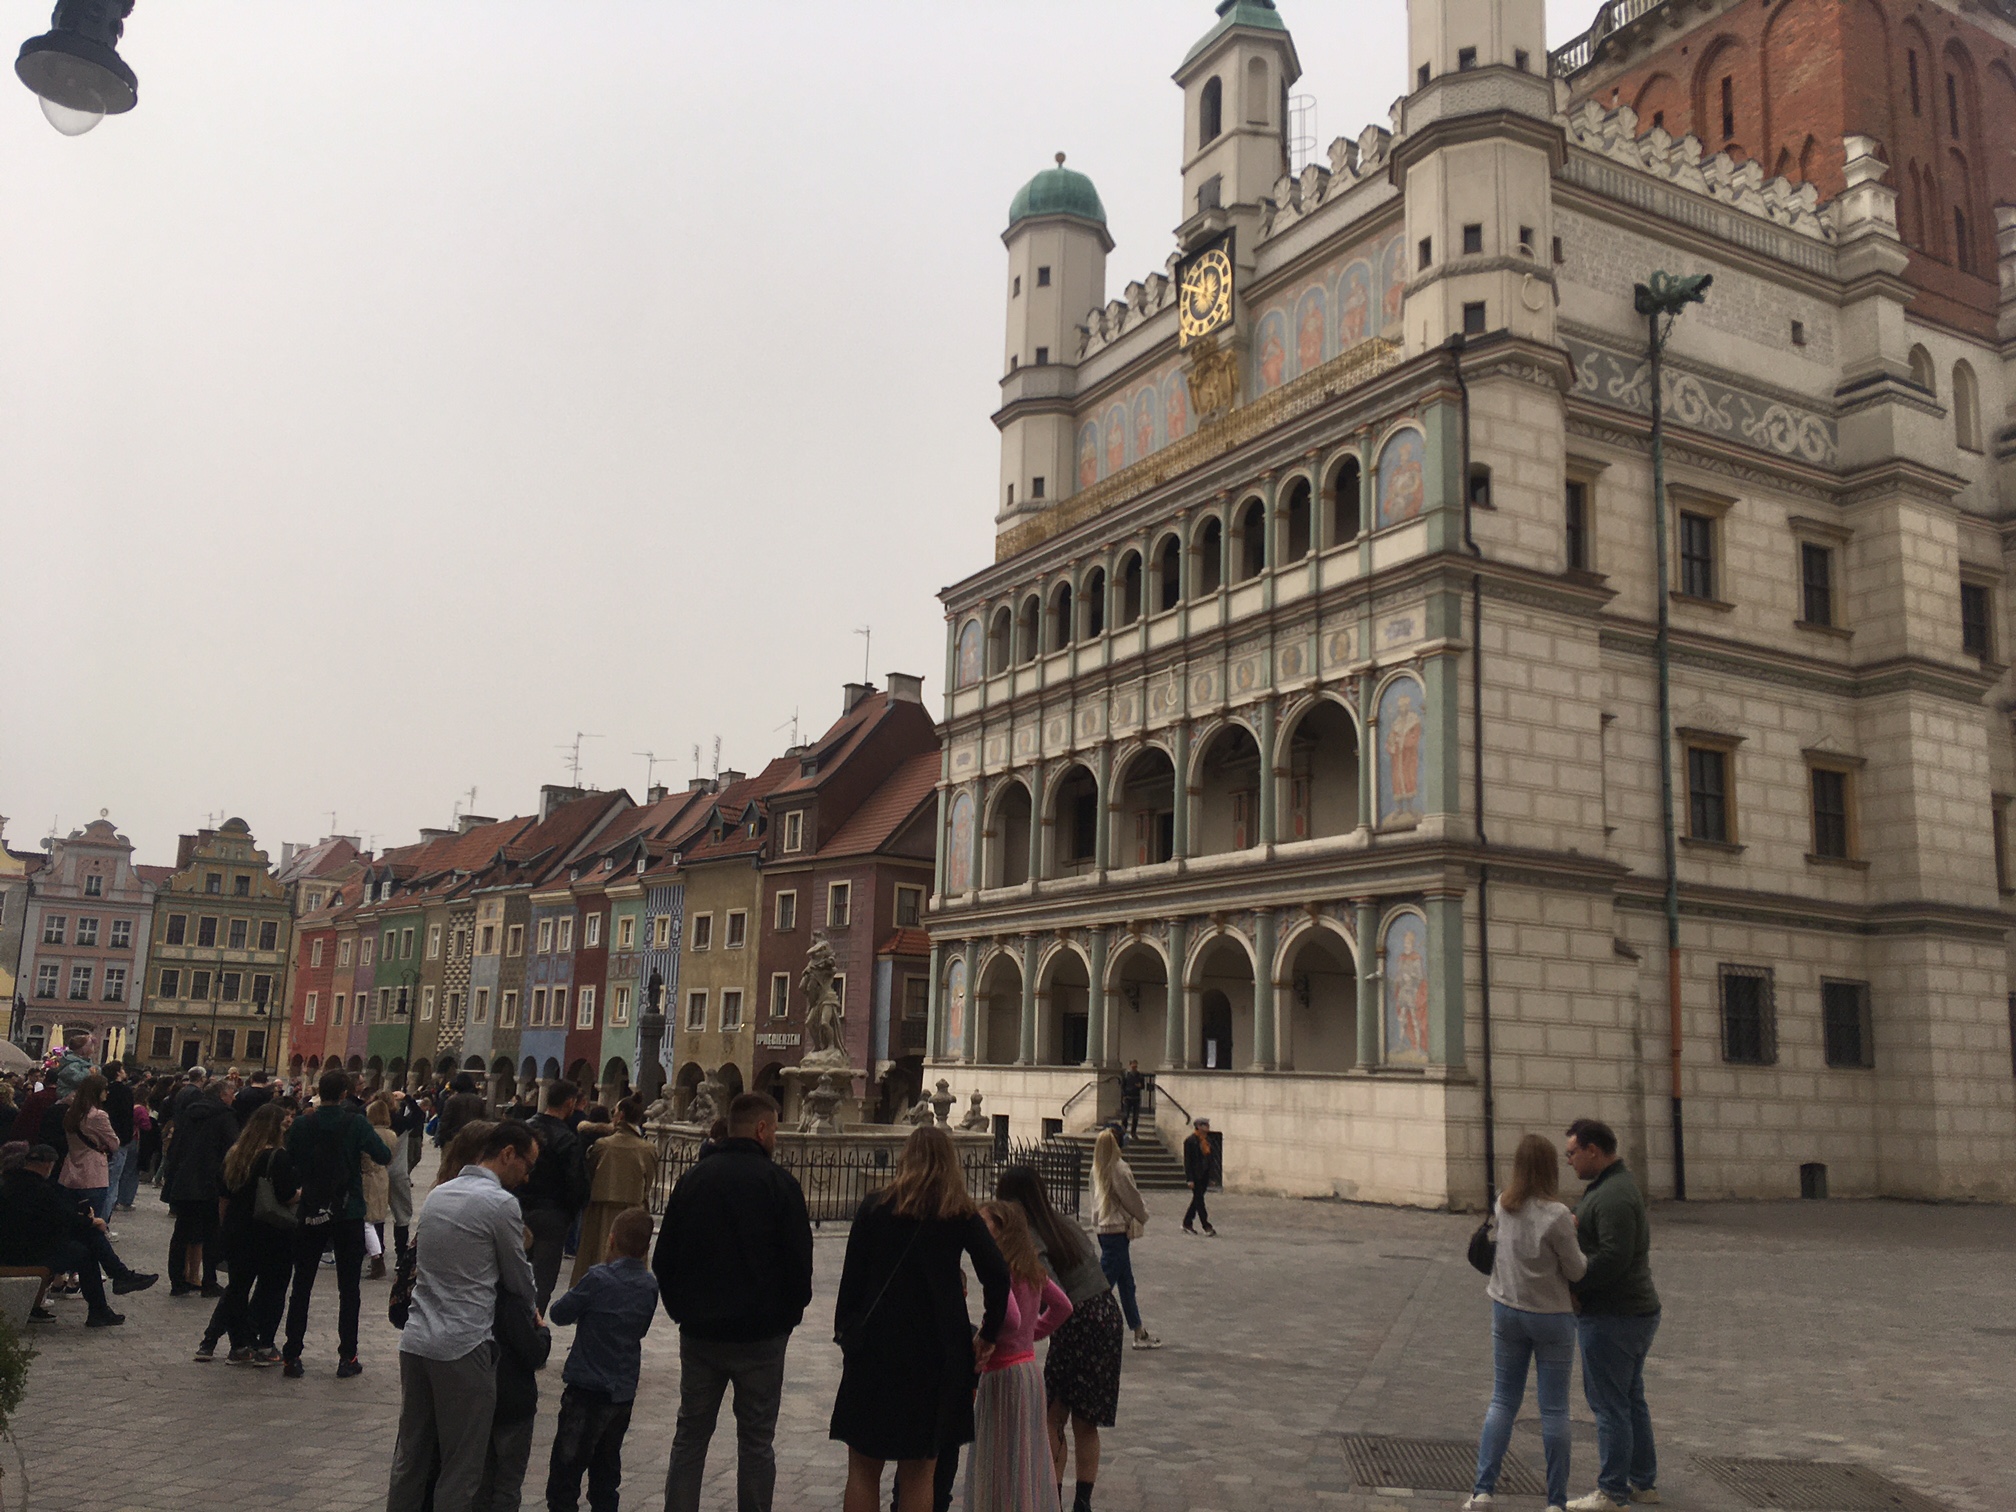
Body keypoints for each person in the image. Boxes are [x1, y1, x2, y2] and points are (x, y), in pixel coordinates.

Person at [831, 1124, 1011, 1512]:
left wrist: (847, 1333)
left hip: (876, 1347)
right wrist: (988, 1332)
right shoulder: (959, 1213)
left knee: (863, 1468)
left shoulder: (875, 1206)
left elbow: (852, 1282)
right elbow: (998, 1274)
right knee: (919, 1472)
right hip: (936, 1351)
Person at [656, 1091, 813, 1512]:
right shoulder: (780, 1185)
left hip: (702, 1332)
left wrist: (682, 1310)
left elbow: (664, 1256)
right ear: (762, 1129)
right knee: (757, 1442)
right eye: (776, 1128)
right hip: (761, 1336)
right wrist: (786, 1318)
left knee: (690, 1435)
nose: (776, 1137)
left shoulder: (695, 1179)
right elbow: (800, 1265)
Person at [386, 1118, 541, 1512]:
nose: (526, 1176)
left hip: (418, 1339)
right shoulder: (501, 1204)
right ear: (507, 1154)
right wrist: (535, 1312)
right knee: (461, 1466)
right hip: (464, 1343)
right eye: (526, 1164)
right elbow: (519, 1278)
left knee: (411, 1456)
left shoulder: (440, 1194)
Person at [1465, 1134, 1587, 1512]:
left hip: (1507, 1309)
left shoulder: (1503, 1204)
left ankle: (1482, 1491)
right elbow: (1577, 1271)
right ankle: (1555, 1501)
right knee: (1554, 1410)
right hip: (1551, 1317)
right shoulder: (1557, 1216)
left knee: (1502, 1400)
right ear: (1550, 1168)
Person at [996, 1166, 1121, 1512]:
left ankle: (1052, 1498)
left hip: (1077, 1319)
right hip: (1106, 1312)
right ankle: (1083, 1501)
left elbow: (1051, 1295)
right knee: (1087, 1418)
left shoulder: (1032, 1236)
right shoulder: (1065, 1223)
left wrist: (1025, 1333)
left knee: (1052, 1414)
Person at [1562, 1119, 1661, 1512]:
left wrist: (1574, 1285)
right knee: (1630, 1399)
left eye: (1571, 1153)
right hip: (1630, 1312)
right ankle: (1642, 1482)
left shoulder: (1614, 1195)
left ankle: (1612, 1491)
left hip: (1615, 1315)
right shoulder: (1608, 1188)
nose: (1568, 1161)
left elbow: (1613, 1259)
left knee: (1610, 1405)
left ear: (1592, 1150)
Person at [545, 1206, 659, 1512]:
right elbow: (643, 1327)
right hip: (622, 1390)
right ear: (646, 1248)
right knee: (606, 1475)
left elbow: (559, 1313)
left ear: (610, 1241)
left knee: (565, 1475)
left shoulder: (598, 1278)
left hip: (586, 1389)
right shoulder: (649, 1285)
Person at [281, 1065, 393, 1379]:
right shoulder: (355, 1122)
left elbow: (290, 1160)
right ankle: (347, 1356)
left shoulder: (303, 1124)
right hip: (348, 1211)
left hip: (311, 1208)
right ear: (345, 1094)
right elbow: (383, 1154)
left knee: (301, 1285)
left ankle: (292, 1355)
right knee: (349, 1289)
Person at [968, 1200, 1072, 1512]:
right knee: (1023, 1457)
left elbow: (1009, 1316)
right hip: (1028, 1369)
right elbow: (1063, 1306)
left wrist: (984, 1338)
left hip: (1003, 1374)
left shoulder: (1002, 1270)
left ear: (1002, 1230)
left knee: (998, 1456)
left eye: (985, 1224)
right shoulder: (1032, 1269)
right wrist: (1033, 1332)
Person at [0, 1143, 155, 1326]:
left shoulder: (11, 1184)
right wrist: (91, 1221)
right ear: (48, 1165)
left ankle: (114, 1286)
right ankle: (113, 1287)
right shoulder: (39, 1189)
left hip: (17, 1247)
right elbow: (62, 1218)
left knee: (85, 1243)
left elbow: (52, 1219)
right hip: (23, 1254)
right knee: (85, 1247)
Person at [199, 1101, 299, 1365]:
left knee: (238, 1289)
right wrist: (302, 1193)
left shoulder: (236, 1154)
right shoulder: (277, 1156)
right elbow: (287, 1196)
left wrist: (225, 1228)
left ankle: (239, 1345)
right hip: (271, 1232)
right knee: (272, 1289)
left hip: (237, 1229)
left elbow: (224, 1197)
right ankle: (265, 1345)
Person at [477, 1282, 554, 1512]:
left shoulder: (475, 1298)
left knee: (482, 1481)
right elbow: (534, 1354)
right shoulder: (514, 1304)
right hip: (514, 1402)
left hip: (481, 1398)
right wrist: (543, 1331)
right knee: (508, 1483)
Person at [160, 1077, 238, 1297]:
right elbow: (231, 1149)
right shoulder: (225, 1116)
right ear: (223, 1095)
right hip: (210, 1181)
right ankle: (209, 1281)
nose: (233, 1098)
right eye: (232, 1094)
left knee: (181, 1233)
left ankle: (177, 1281)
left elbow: (176, 1145)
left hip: (185, 1179)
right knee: (211, 1233)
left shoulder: (189, 1112)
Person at [571, 1097, 657, 1284]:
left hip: (600, 1213)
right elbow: (648, 1181)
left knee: (596, 1259)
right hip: (634, 1213)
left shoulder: (603, 1145)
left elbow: (589, 1174)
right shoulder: (648, 1149)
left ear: (621, 1115)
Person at [521, 1082, 589, 1310]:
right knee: (543, 1278)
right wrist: (569, 1213)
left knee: (513, 1270)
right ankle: (532, 1323)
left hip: (519, 1209)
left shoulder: (525, 1130)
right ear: (569, 1103)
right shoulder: (567, 1138)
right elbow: (576, 1183)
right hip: (552, 1214)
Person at [1090, 1129, 1158, 1350]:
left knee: (1127, 1283)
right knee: (1102, 1285)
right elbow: (1132, 1198)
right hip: (1117, 1230)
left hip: (1103, 1229)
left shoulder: (1096, 1168)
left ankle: (1138, 1330)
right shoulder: (1119, 1168)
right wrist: (1143, 1215)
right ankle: (1082, 1324)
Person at [59, 1074, 120, 1223]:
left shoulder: (71, 1112)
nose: (107, 1092)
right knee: (92, 1221)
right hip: (93, 1174)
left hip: (70, 1171)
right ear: (96, 1092)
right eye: (105, 1089)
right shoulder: (98, 1116)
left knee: (70, 1221)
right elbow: (114, 1143)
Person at [365, 1092, 397, 1279]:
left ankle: (377, 1259)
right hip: (383, 1175)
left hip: (368, 1176)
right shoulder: (392, 1134)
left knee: (366, 1220)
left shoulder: (371, 1133)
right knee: (376, 1217)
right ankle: (376, 1255)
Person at [99, 1063, 136, 1224]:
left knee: (103, 1181)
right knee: (112, 1183)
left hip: (103, 1140)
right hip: (119, 1140)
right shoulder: (124, 1091)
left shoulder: (104, 1090)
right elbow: (127, 1117)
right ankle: (104, 1221)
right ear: (118, 1072)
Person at [1181, 1118, 1218, 1237]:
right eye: (1204, 1125)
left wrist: (1212, 1177)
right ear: (1198, 1126)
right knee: (1199, 1201)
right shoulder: (1190, 1141)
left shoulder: (1207, 1141)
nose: (1207, 1127)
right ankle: (1206, 1226)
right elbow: (1188, 1161)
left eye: (1207, 1124)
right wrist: (1189, 1179)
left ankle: (1187, 1222)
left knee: (1197, 1200)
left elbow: (1211, 1160)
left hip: (1204, 1175)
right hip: (1195, 1175)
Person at [1117, 1063, 1144, 1142]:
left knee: (1135, 1117)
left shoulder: (1140, 1076)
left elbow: (1143, 1086)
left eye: (1135, 1067)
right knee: (1125, 1115)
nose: (1134, 1068)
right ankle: (1124, 1131)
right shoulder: (1127, 1076)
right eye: (1133, 1066)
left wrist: (1140, 1086)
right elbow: (1123, 1086)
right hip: (1128, 1097)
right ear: (1130, 1066)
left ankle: (1133, 1133)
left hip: (1136, 1098)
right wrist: (1124, 1096)